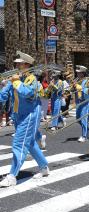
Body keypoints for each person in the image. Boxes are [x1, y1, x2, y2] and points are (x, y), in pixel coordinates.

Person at [0, 51, 49, 187]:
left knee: (19, 143)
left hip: (30, 115)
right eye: (16, 64)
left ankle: (12, 175)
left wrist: (15, 82)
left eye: (19, 64)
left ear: (27, 65)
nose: (17, 66)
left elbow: (27, 93)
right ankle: (44, 167)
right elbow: (3, 96)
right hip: (17, 116)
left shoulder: (31, 79)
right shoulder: (14, 79)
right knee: (31, 143)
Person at [73, 65, 89, 142]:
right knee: (78, 119)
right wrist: (73, 86)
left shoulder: (87, 81)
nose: (77, 74)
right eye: (77, 73)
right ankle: (87, 128)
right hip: (78, 101)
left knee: (83, 119)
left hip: (85, 101)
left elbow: (87, 90)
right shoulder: (77, 80)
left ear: (83, 73)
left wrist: (77, 86)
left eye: (79, 73)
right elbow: (73, 91)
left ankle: (84, 136)